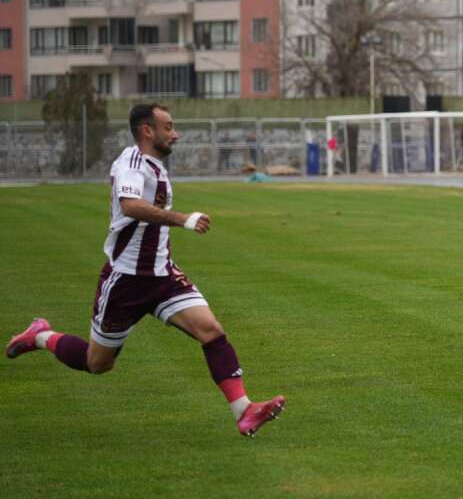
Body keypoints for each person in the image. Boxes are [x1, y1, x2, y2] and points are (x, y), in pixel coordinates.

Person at [5, 104, 286, 437]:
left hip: (163, 276)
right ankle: (40, 335)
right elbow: (130, 206)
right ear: (147, 131)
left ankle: (245, 411)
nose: (175, 133)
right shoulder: (134, 165)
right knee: (98, 363)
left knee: (210, 330)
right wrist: (184, 219)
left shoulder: (151, 164)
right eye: (168, 127)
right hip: (125, 281)